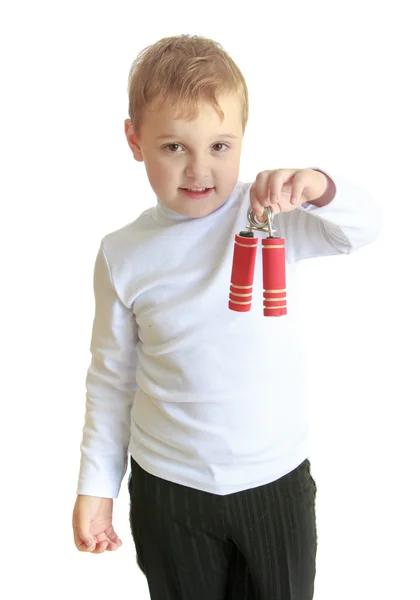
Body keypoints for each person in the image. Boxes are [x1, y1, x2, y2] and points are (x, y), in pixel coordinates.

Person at [72, 34, 382, 600]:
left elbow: (362, 230)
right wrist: (97, 485)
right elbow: (111, 379)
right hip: (170, 489)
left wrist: (318, 187)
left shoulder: (271, 213)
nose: (198, 169)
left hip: (275, 480)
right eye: (173, 147)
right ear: (134, 141)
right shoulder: (122, 253)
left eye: (220, 145)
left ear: (243, 139)